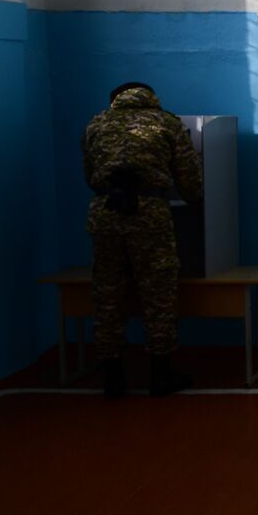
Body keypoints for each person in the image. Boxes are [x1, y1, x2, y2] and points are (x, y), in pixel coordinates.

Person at [82, 82, 204, 398]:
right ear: (151, 97)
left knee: (107, 293)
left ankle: (112, 378)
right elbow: (190, 180)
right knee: (158, 293)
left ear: (115, 100)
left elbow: (88, 174)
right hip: (149, 213)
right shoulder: (166, 122)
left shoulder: (96, 123)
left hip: (105, 212)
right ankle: (160, 375)